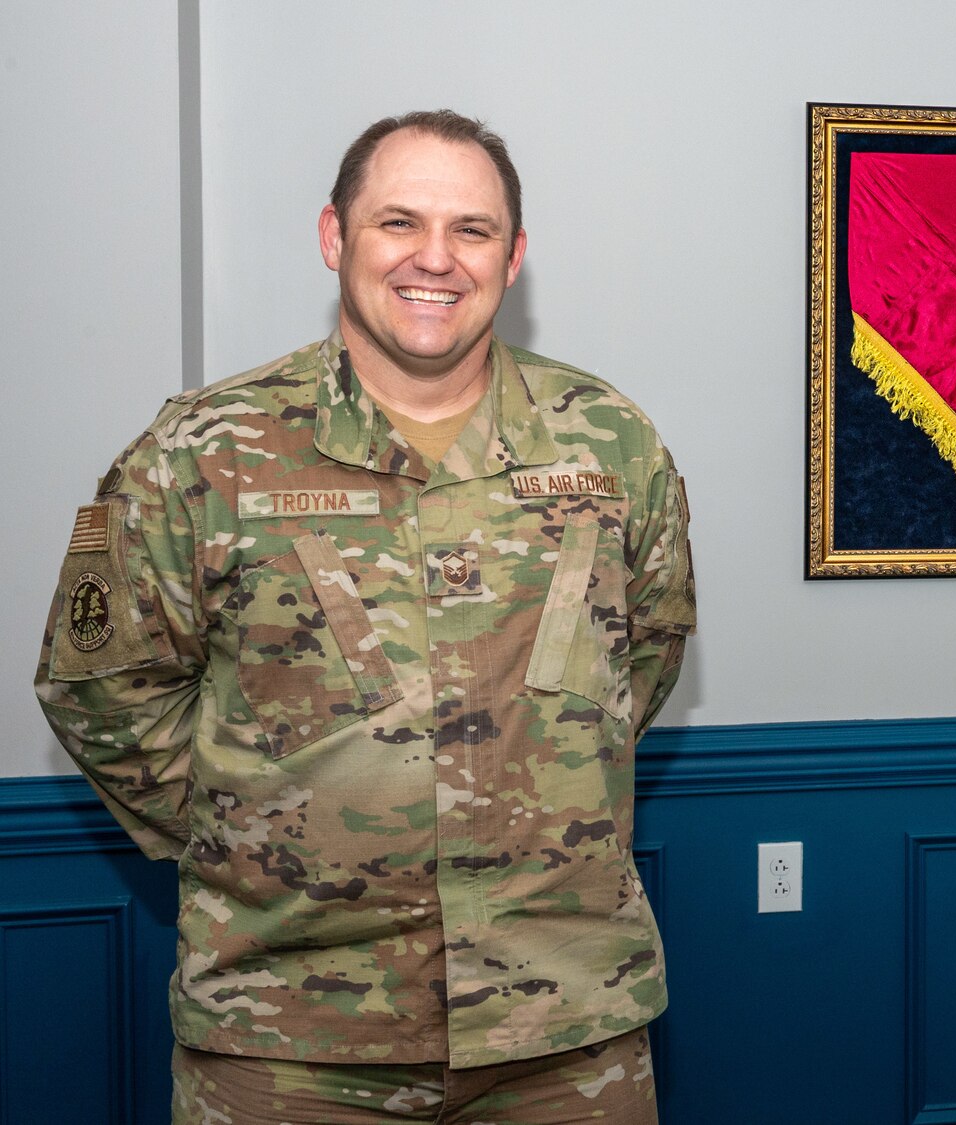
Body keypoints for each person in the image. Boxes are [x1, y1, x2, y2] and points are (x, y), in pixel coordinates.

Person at [35, 109, 694, 1123]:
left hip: (563, 1031)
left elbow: (638, 663)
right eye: (398, 222)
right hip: (288, 1037)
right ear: (335, 238)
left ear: (512, 257)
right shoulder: (203, 451)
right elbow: (102, 691)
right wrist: (260, 835)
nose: (435, 259)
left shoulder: (610, 444)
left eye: (471, 230)